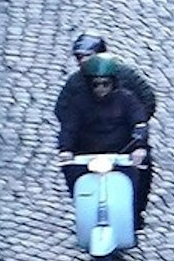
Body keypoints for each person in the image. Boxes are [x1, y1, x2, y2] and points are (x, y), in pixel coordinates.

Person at [53, 33, 158, 217]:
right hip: (87, 147)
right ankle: (84, 205)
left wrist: (136, 131)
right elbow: (65, 115)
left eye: (105, 84)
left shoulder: (126, 82)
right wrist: (68, 145)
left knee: (142, 169)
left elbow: (145, 102)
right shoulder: (75, 86)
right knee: (72, 171)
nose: (100, 89)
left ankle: (136, 211)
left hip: (124, 145)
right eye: (79, 57)